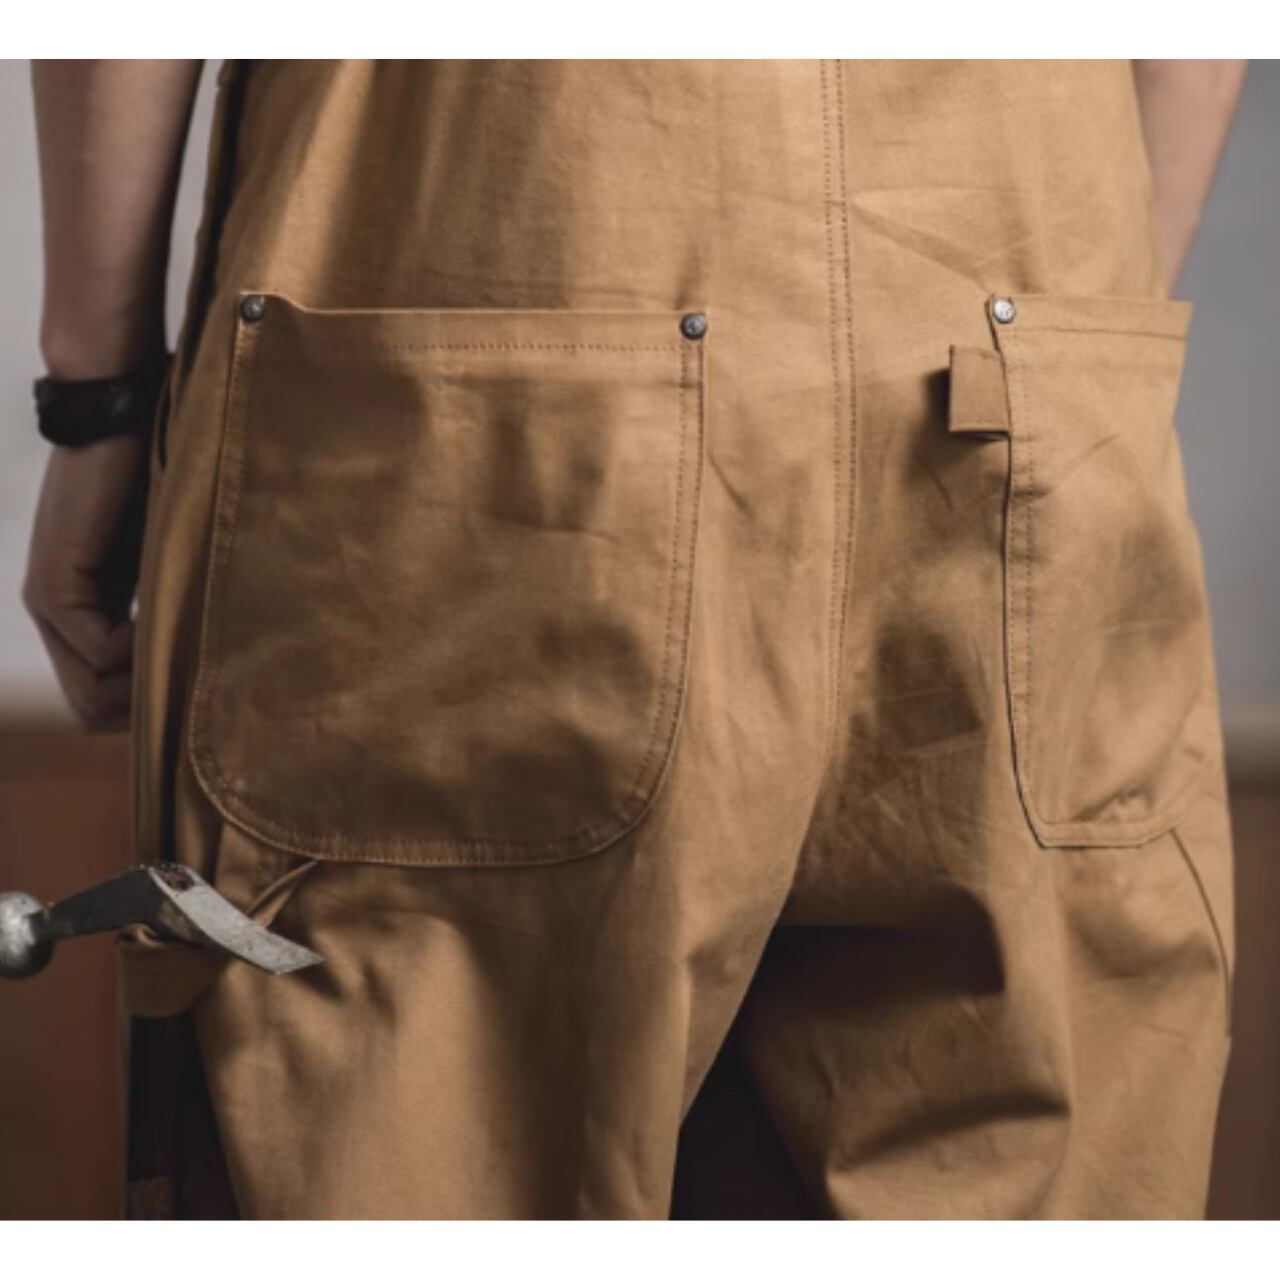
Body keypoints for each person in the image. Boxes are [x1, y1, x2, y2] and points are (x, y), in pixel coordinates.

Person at [26, 59, 1248, 1219]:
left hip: (499, 302)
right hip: (1023, 346)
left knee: (410, 1147)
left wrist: (96, 401)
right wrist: (1087, 364)